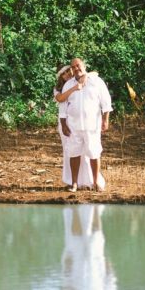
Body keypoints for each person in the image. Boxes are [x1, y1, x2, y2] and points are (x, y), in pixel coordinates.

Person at [59, 57, 112, 193]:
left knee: (94, 153)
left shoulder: (96, 82)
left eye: (78, 65)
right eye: (73, 67)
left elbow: (106, 102)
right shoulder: (68, 85)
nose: (76, 69)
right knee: (74, 153)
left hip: (92, 125)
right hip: (73, 126)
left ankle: (95, 182)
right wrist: (64, 124)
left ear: (84, 65)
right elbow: (63, 107)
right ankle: (74, 183)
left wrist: (105, 120)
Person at [53, 64, 102, 189]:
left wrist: (85, 76)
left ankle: (87, 181)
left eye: (69, 71)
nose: (68, 74)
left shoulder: (81, 80)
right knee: (71, 151)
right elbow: (61, 99)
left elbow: (94, 73)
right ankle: (72, 181)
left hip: (83, 123)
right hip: (66, 121)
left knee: (87, 151)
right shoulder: (60, 88)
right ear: (60, 76)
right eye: (65, 73)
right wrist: (75, 87)